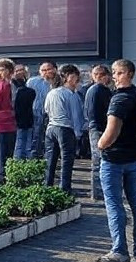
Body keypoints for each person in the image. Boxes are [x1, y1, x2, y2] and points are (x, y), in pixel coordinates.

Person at [97, 59, 136, 262]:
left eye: (119, 73)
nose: (114, 76)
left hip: (115, 158)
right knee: (134, 201)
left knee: (114, 203)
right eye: (114, 73)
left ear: (129, 73)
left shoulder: (120, 99)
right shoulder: (135, 93)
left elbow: (112, 130)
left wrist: (100, 145)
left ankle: (119, 250)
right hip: (133, 156)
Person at [44, 63, 84, 194]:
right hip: (66, 129)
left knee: (50, 159)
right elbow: (76, 116)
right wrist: (78, 133)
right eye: (75, 76)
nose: (77, 79)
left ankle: (47, 186)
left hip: (51, 128)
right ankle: (65, 188)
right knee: (67, 160)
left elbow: (46, 110)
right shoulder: (72, 95)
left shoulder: (52, 92)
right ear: (67, 77)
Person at [83, 64, 112, 201]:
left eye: (101, 74)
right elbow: (92, 113)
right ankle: (97, 192)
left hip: (99, 127)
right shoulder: (96, 90)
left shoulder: (103, 90)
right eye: (96, 74)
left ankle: (100, 191)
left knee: (101, 160)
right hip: (98, 128)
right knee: (98, 160)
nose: (98, 77)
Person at [0, 58, 17, 181]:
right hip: (4, 121)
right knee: (4, 152)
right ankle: (3, 176)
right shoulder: (2, 84)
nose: (0, 72)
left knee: (1, 151)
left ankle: (0, 175)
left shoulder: (0, 83)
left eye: (3, 69)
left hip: (1, 121)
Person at [27, 60, 58, 158]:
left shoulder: (58, 83)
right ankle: (34, 159)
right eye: (43, 70)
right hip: (35, 114)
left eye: (48, 69)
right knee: (35, 138)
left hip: (52, 115)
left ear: (55, 70)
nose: (46, 72)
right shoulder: (32, 82)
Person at [13, 67, 36, 160]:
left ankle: (17, 162)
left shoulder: (16, 92)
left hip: (18, 120)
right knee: (28, 144)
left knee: (18, 144)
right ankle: (27, 161)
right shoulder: (31, 91)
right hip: (29, 119)